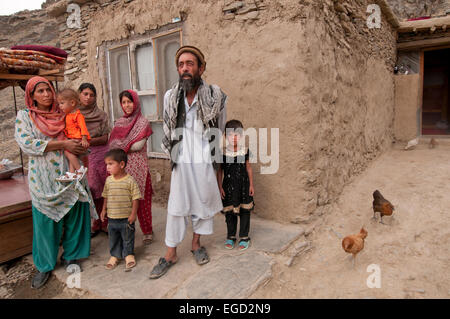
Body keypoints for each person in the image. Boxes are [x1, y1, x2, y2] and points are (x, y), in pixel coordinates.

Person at [149, 45, 227, 279]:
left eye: (190, 64)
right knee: (176, 206)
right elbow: (169, 128)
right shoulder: (171, 97)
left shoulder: (215, 96)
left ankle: (196, 244)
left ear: (201, 68)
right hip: (181, 159)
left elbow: (219, 130)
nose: (185, 68)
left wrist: (215, 166)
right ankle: (170, 252)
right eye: (181, 64)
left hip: (204, 160)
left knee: (203, 203)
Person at [14, 76, 95, 289]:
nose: (46, 95)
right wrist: (61, 143)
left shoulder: (64, 112)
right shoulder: (25, 117)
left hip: (70, 175)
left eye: (48, 89)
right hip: (43, 178)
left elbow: (79, 135)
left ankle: (72, 256)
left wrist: (79, 145)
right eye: (40, 91)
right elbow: (28, 144)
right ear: (31, 96)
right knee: (44, 221)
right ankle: (45, 265)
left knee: (75, 214)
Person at [108, 90, 154, 245]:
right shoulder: (119, 123)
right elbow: (111, 144)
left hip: (139, 169)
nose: (127, 105)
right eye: (124, 102)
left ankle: (147, 231)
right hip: (123, 169)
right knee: (125, 202)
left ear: (136, 103)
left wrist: (120, 145)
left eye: (130, 101)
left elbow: (138, 145)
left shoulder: (143, 122)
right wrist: (125, 145)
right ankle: (127, 232)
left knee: (142, 201)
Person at [78, 83, 111, 237]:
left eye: (91, 95)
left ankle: (105, 223)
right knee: (90, 189)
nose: (88, 97)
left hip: (101, 155)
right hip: (83, 156)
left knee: (104, 189)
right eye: (85, 94)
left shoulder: (101, 115)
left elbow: (105, 138)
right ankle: (95, 222)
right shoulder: (75, 116)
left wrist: (87, 142)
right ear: (79, 95)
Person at [100, 149, 141, 271]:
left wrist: (133, 214)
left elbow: (136, 198)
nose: (107, 167)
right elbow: (106, 196)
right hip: (112, 217)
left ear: (122, 164)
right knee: (113, 238)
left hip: (126, 218)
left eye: (111, 164)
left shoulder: (130, 181)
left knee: (128, 237)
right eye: (106, 164)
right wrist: (103, 210)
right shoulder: (108, 180)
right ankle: (115, 255)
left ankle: (128, 254)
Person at [217, 119, 255, 251]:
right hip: (228, 187)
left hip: (243, 186)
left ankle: (244, 237)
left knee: (244, 211)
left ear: (241, 136)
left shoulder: (245, 151)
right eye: (230, 135)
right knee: (230, 213)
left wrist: (251, 185)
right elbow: (220, 170)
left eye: (237, 135)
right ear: (225, 136)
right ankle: (231, 236)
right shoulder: (222, 152)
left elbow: (248, 168)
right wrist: (219, 187)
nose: (234, 138)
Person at [56, 88, 90, 180]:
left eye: (62, 103)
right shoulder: (68, 115)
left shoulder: (78, 115)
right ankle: (71, 173)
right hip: (72, 138)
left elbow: (83, 127)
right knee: (72, 155)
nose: (60, 106)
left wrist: (84, 139)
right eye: (59, 104)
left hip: (78, 138)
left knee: (68, 152)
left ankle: (79, 169)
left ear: (72, 103)